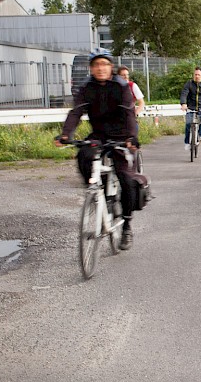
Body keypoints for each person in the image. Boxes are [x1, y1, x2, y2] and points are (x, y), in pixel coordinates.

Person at [56, 49, 140, 250]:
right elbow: (76, 112)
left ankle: (126, 224)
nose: (100, 68)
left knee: (126, 178)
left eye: (104, 64)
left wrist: (131, 137)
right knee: (83, 155)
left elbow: (129, 114)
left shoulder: (120, 86)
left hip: (121, 136)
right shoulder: (87, 87)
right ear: (91, 68)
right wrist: (66, 134)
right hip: (99, 134)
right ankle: (97, 192)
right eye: (96, 65)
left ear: (110, 67)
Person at [179, 66, 201, 150]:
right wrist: (183, 103)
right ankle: (187, 142)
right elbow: (184, 93)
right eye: (195, 74)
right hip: (191, 108)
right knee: (188, 124)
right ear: (193, 75)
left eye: (198, 74)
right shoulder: (189, 84)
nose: (197, 76)